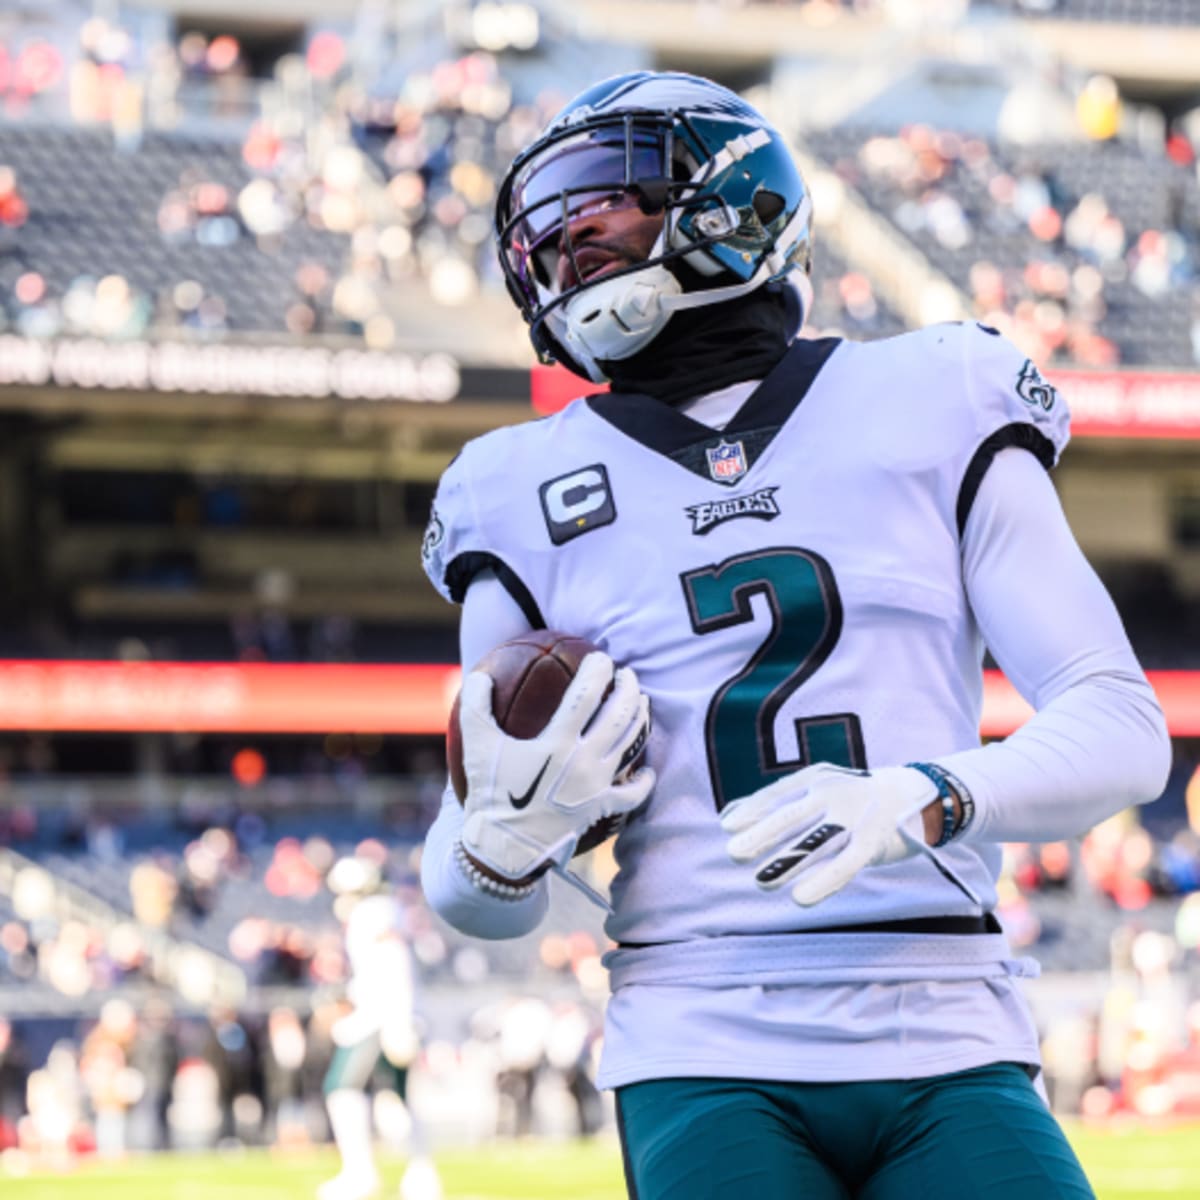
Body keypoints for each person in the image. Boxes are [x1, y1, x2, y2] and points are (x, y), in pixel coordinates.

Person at [419, 71, 1171, 1199]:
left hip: (946, 1024)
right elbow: (471, 890)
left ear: (732, 205)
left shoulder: (935, 390)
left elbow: (1122, 725)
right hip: (700, 1038)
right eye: (553, 236)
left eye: (602, 212)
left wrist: (919, 795)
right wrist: (502, 845)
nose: (569, 251)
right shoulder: (514, 485)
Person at [317, 857, 441, 1200]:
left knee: (342, 1087)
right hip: (387, 1013)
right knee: (398, 1098)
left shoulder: (374, 912)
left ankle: (361, 1173)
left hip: (382, 1016)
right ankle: (421, 1174)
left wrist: (399, 1020)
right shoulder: (385, 910)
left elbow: (394, 965)